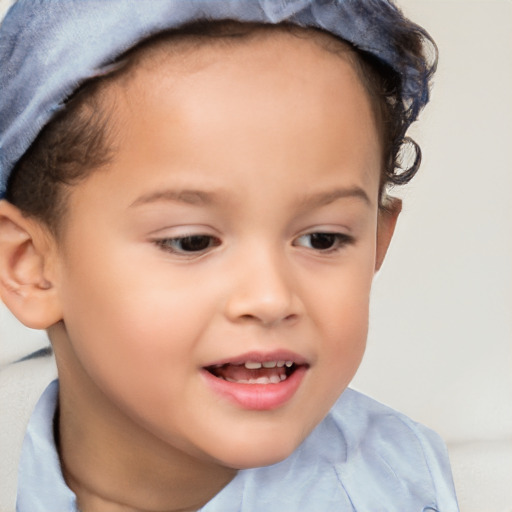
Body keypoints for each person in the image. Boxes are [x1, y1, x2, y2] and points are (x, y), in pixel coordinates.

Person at [0, 1, 459, 511]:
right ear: (30, 266)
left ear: (377, 242)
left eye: (322, 239)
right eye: (191, 241)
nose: (269, 298)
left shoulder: (404, 485)